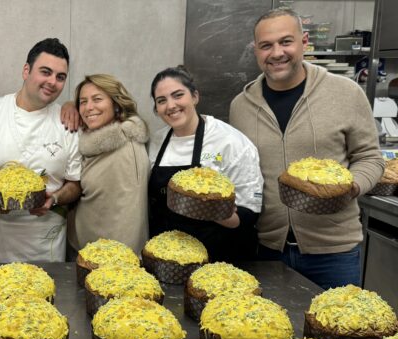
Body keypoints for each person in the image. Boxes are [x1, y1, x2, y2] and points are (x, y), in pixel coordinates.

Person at [230, 9, 384, 288]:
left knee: (337, 330)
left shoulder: (345, 93)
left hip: (334, 251)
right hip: (267, 248)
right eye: (266, 45)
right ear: (256, 50)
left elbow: (369, 157)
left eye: (285, 42)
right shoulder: (241, 106)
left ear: (304, 41)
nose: (277, 53)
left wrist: (351, 188)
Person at [0, 38, 81, 263]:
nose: (52, 82)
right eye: (45, 72)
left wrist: (55, 198)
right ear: (26, 70)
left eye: (60, 77)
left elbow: (75, 184)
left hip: (44, 241)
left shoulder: (67, 123)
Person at [149, 66, 264, 262]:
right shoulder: (155, 142)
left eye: (178, 95)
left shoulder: (230, 142)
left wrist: (209, 209)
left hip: (220, 255)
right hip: (167, 258)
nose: (170, 105)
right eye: (161, 101)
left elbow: (249, 212)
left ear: (195, 96)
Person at [67, 74, 150, 255]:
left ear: (115, 103)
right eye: (82, 102)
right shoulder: (85, 140)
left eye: (97, 99)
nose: (89, 107)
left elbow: (128, 215)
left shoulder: (129, 145)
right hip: (81, 244)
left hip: (117, 257)